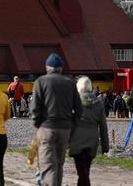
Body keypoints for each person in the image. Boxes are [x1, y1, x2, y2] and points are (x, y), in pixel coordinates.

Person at [32, 53, 81, 186]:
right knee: (59, 164)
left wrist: (37, 124)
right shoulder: (70, 83)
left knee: (48, 165)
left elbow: (35, 107)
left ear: (47, 67)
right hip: (65, 129)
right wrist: (72, 125)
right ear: (61, 67)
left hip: (47, 127)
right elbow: (78, 108)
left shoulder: (41, 82)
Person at [69, 77, 109, 186]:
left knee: (82, 172)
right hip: (92, 141)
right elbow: (103, 127)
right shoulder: (98, 103)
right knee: (85, 171)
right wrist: (105, 146)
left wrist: (65, 142)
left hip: (77, 141)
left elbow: (69, 124)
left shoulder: (74, 102)